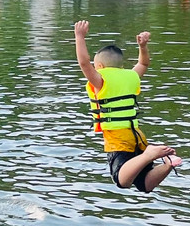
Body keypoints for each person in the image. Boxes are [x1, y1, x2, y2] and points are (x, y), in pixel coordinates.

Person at [74, 20, 179, 193]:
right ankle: (168, 163)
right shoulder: (130, 76)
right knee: (144, 184)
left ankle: (150, 154)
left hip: (119, 139)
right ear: (120, 66)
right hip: (136, 135)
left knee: (121, 180)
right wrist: (143, 46)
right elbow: (144, 64)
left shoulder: (100, 81)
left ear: (99, 66)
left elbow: (84, 63)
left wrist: (80, 37)